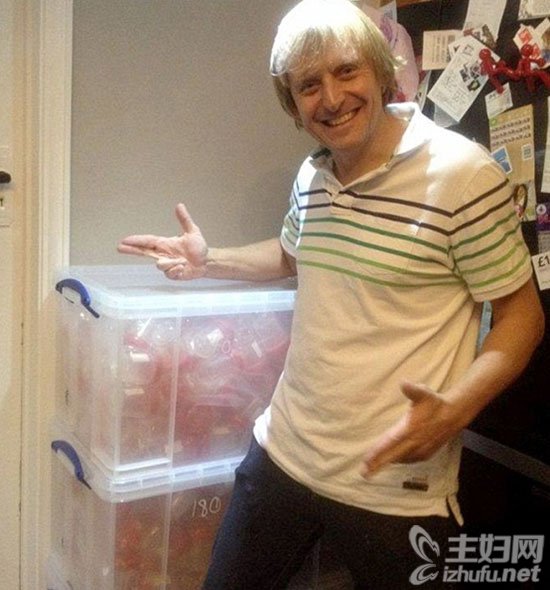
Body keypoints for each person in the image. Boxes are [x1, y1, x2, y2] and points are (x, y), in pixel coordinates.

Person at [118, 1, 545, 587]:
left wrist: (456, 409)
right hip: (284, 454)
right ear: (292, 103)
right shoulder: (313, 174)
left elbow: (523, 317)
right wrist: (209, 260)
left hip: (393, 485)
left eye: (346, 71)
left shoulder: (462, 177)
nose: (332, 97)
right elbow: (294, 256)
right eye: (309, 85)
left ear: (380, 71)